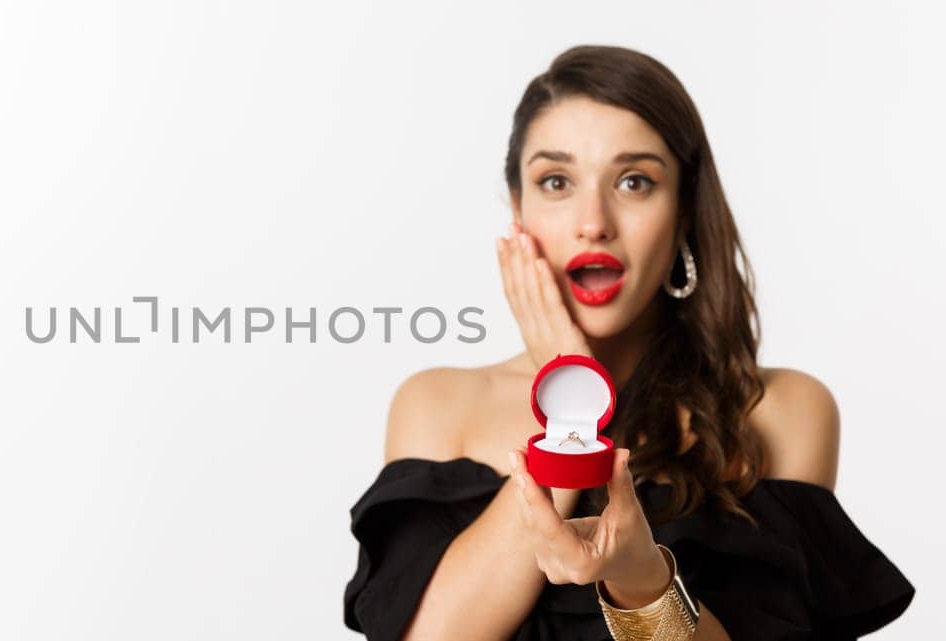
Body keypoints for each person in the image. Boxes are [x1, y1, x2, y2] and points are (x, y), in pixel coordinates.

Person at [341, 45, 914, 641]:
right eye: (556, 181)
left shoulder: (780, 410)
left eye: (635, 181)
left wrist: (640, 578)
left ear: (685, 210)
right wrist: (571, 400)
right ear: (518, 209)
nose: (594, 221)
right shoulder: (437, 404)